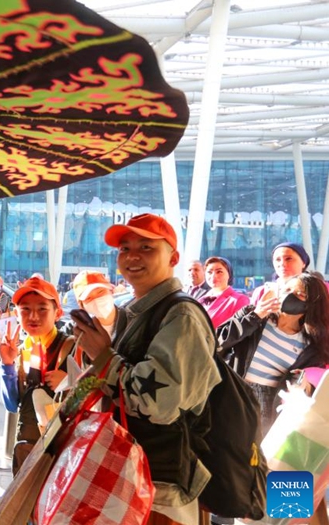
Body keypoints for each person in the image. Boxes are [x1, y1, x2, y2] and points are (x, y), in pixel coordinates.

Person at [71, 213, 220, 524]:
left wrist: (104, 357)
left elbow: (159, 405)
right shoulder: (135, 313)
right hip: (132, 476)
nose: (132, 256)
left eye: (147, 248)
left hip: (162, 489)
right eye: (125, 249)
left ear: (173, 257)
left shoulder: (182, 316)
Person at [217, 271, 329, 435]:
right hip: (231, 392)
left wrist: (302, 385)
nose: (289, 295)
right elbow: (216, 341)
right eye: (287, 289)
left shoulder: (313, 346)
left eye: (299, 294)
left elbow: (309, 387)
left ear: (311, 304)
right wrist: (255, 316)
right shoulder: (254, 314)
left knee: (251, 457)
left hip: (266, 406)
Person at [0, 277, 72, 473]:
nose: (33, 317)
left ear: (58, 313)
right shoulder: (22, 351)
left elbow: (96, 392)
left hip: (64, 450)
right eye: (25, 310)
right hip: (27, 448)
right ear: (16, 313)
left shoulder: (72, 347)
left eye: (42, 309)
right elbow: (12, 404)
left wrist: (69, 382)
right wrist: (7, 364)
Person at [198, 256, 249, 329]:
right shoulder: (200, 299)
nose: (213, 276)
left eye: (219, 272)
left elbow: (240, 332)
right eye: (209, 272)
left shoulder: (239, 300)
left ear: (229, 275)